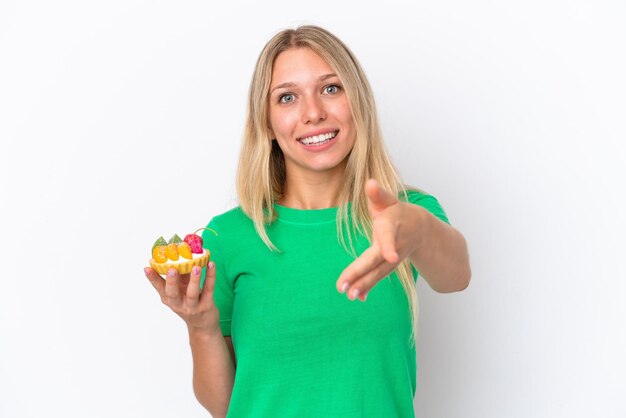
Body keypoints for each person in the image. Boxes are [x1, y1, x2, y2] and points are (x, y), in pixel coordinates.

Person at [144, 25, 470, 418]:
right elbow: (225, 406)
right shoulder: (229, 236)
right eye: (287, 97)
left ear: (358, 102)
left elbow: (456, 277)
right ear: (266, 122)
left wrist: (417, 230)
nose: (313, 113)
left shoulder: (405, 215)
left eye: (331, 88)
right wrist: (201, 327)